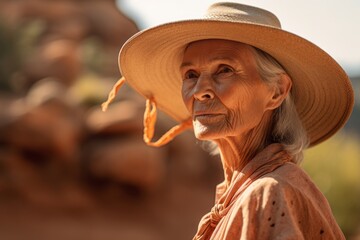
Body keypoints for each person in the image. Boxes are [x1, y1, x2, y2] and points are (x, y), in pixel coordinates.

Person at [102, 2, 354, 239]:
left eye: (225, 69)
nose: (200, 90)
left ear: (276, 91)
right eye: (190, 74)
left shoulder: (269, 193)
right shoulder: (245, 192)